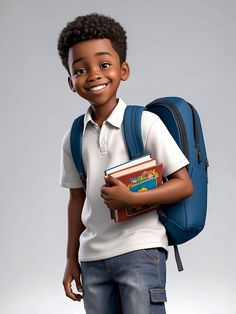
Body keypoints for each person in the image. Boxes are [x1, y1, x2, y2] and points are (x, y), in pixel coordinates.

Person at [58, 13, 193, 314]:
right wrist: (71, 258)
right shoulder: (73, 137)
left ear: (124, 70)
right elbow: (76, 200)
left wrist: (133, 199)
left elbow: (184, 185)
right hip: (91, 259)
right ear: (71, 82)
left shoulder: (145, 123)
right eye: (80, 70)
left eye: (104, 65)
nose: (93, 75)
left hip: (140, 251)